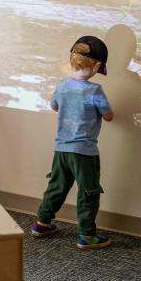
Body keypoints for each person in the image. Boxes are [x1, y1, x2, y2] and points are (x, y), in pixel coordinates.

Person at [31, 36, 115, 249]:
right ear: (97, 66)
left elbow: (54, 106)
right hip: (84, 152)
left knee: (57, 186)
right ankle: (87, 235)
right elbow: (109, 116)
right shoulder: (95, 91)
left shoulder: (62, 85)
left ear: (72, 60)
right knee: (88, 191)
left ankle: (42, 222)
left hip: (61, 149)